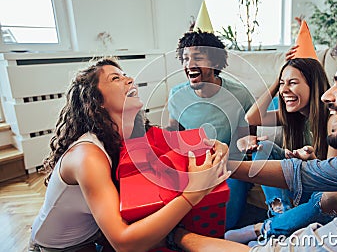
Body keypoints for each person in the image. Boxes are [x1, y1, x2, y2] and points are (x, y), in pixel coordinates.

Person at [166, 28, 337, 251]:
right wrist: (220, 163)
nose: (327, 96)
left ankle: (267, 225)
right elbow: (302, 172)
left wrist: (176, 235)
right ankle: (276, 217)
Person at [29, 57, 230, 252]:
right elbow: (124, 244)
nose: (130, 79)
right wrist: (192, 195)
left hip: (95, 235)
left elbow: (183, 145)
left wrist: (216, 147)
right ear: (96, 100)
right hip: (59, 248)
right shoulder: (87, 155)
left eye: (125, 75)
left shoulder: (132, 132)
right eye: (115, 78)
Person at [227, 56, 337, 245]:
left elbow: (335, 181)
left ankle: (268, 227)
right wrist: (278, 82)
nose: (285, 90)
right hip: (298, 184)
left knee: (322, 200)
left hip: (321, 190)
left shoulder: (332, 120)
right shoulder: (294, 116)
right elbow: (251, 118)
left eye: (293, 82)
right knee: (264, 147)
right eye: (283, 84)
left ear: (313, 85)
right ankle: (281, 213)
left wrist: (312, 160)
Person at [167, 30, 257, 230]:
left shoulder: (239, 94)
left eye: (198, 57)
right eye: (185, 58)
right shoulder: (176, 96)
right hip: (194, 162)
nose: (189, 64)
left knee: (225, 222)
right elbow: (175, 134)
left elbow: (248, 136)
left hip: (230, 163)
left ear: (215, 63)